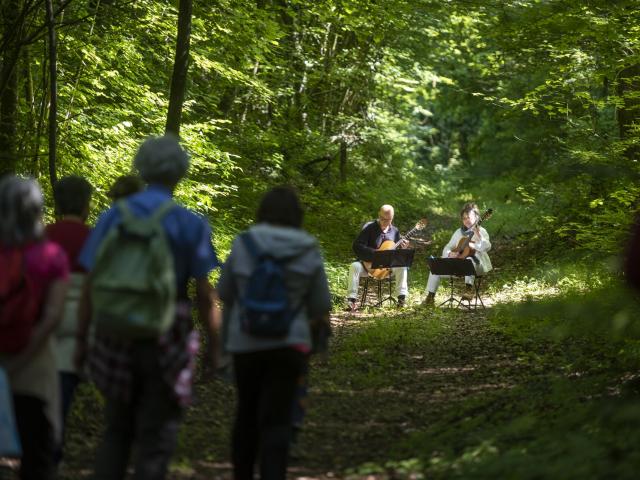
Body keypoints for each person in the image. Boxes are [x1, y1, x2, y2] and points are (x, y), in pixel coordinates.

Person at [74, 136, 221, 479]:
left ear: (141, 167)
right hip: (167, 334)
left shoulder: (114, 216)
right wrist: (214, 348)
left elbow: (89, 283)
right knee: (156, 437)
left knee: (116, 431)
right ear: (180, 173)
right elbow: (203, 294)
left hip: (114, 332)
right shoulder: (190, 223)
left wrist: (81, 339)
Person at [217, 186, 332, 480]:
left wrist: (221, 346)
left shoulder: (244, 243)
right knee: (279, 419)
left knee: (246, 413)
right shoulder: (308, 246)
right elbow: (320, 303)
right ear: (297, 215)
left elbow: (226, 293)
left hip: (246, 342)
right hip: (290, 344)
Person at [0, 176, 70, 480]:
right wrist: (22, 358)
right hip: (36, 367)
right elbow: (53, 316)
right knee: (38, 452)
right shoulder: (51, 256)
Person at [45, 175, 93, 463]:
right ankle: (53, 451)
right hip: (81, 318)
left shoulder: (43, 235)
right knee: (64, 386)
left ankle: (42, 449)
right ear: (86, 205)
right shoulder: (94, 237)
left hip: (47, 314)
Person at [422, 202, 492, 306]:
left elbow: (487, 247)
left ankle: (469, 289)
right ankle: (430, 297)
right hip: (458, 265)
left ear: (477, 217)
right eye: (464, 218)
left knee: (469, 260)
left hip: (476, 265)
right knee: (435, 268)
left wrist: (477, 239)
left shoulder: (481, 231)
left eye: (468, 217)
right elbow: (447, 247)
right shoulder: (459, 232)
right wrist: (450, 254)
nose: (466, 220)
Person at [345, 204, 409, 310]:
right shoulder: (369, 227)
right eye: (382, 218)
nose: (384, 221)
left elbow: (397, 255)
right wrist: (375, 254)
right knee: (354, 266)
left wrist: (403, 248)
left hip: (386, 268)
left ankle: (401, 299)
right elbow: (357, 246)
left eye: (387, 220)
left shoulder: (395, 231)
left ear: (392, 218)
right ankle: (351, 301)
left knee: (402, 267)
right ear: (379, 215)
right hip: (368, 265)